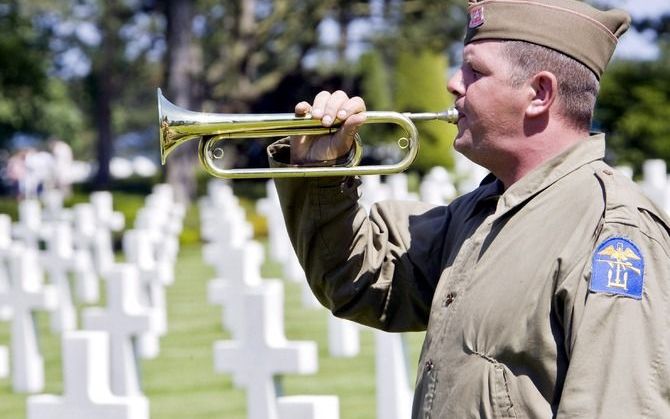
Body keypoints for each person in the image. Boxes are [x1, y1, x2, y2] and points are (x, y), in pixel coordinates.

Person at [268, 0, 670, 417]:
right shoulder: (480, 211)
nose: (452, 83)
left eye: (474, 71)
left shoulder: (614, 232)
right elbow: (357, 280)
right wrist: (319, 170)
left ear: (540, 93)